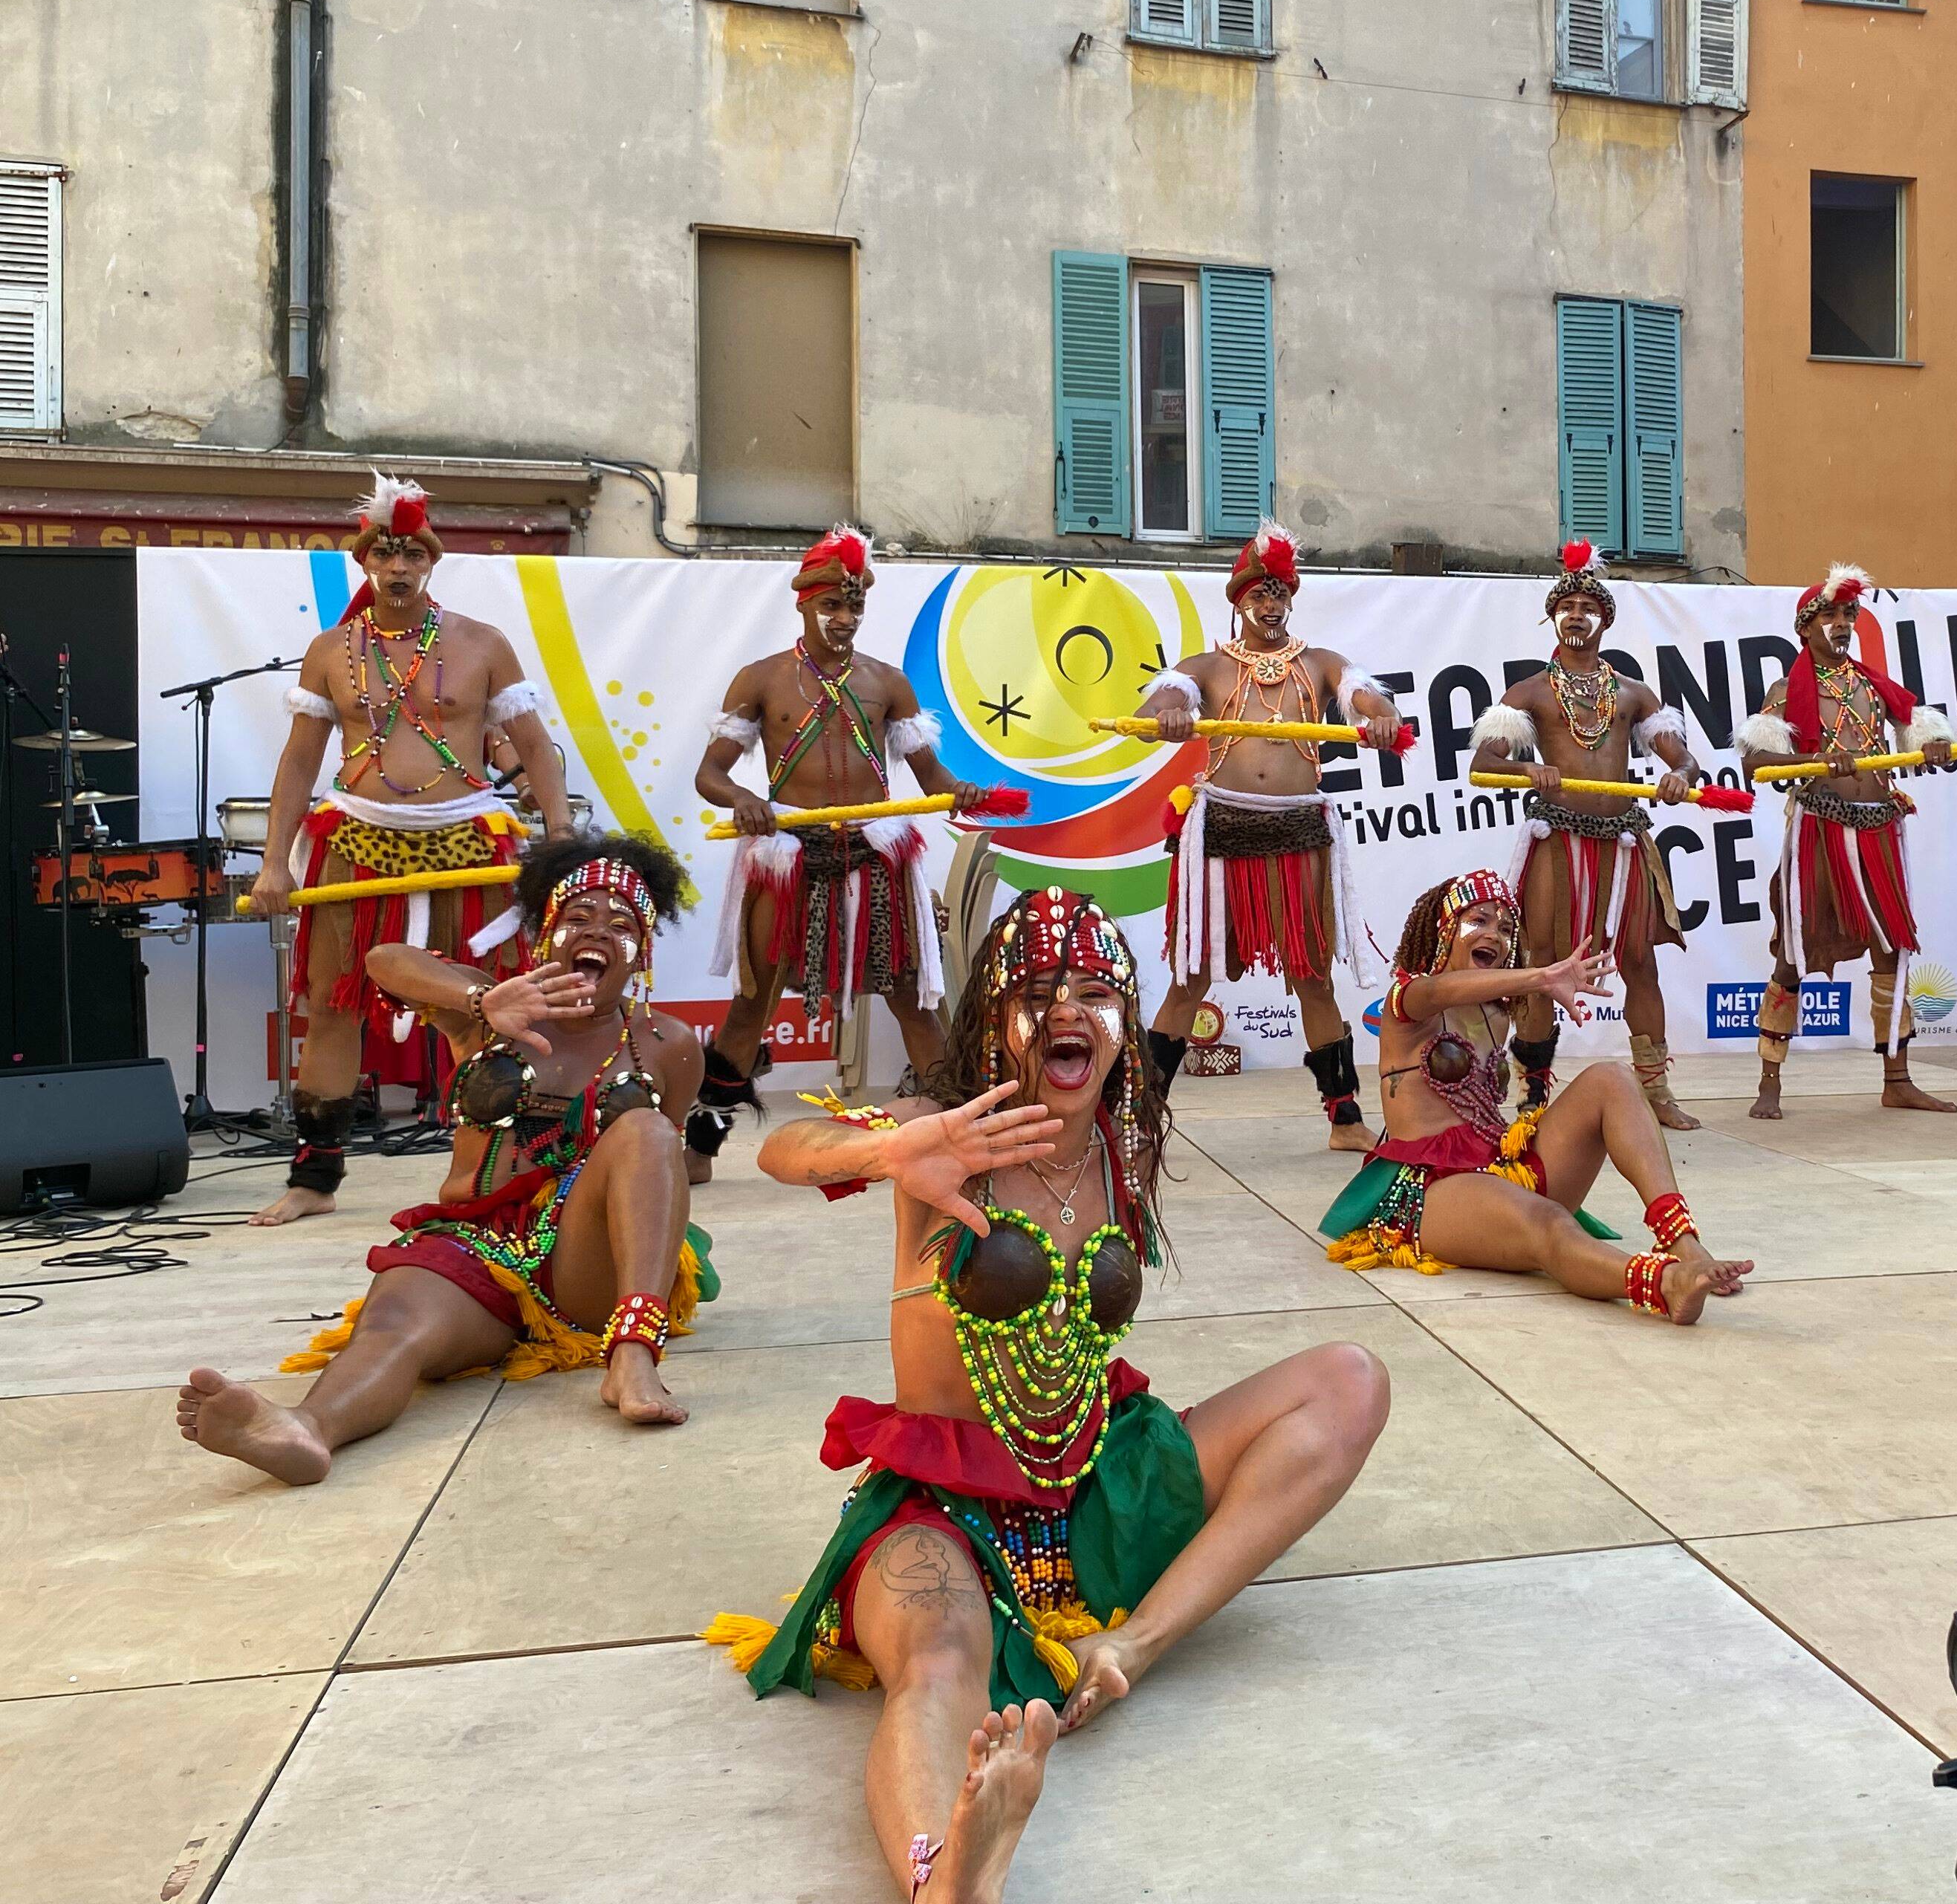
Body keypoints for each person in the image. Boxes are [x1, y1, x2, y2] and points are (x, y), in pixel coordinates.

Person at [709, 886, 1389, 1903]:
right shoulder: (946, 1133)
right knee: (937, 1664)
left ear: (1124, 1022)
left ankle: (1136, 1641)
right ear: (994, 1020)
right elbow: (784, 1151)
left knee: (1349, 1379)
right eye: (1036, 991)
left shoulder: (1122, 1143)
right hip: (950, 1515)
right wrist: (888, 1151)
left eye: (1094, 991)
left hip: (1097, 1485)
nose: (1068, 1009)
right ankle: (949, 1874)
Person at [177, 834, 709, 1484]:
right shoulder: (485, 1009)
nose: (596, 930)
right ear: (547, 932)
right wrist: (481, 1002)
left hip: (585, 1261)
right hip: (473, 1250)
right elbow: (383, 958)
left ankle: (632, 1358)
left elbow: (668, 1166)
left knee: (648, 1132)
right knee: (395, 1324)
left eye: (620, 923)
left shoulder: (668, 1043)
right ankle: (304, 1430)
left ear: (642, 951)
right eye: (577, 917)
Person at [244, 475, 573, 1226]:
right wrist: (273, 861)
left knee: (498, 1005)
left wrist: (557, 837)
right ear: (365, 561)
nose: (397, 567)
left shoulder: (482, 644)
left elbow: (533, 747)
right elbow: (299, 762)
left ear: (432, 560)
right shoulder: (332, 650)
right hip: (356, 840)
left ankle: (509, 1168)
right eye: (383, 553)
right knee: (332, 1008)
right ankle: (315, 1179)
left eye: (411, 554)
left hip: (469, 843)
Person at [692, 527, 1013, 1183]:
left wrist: (963, 792)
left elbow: (934, 782)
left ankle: (966, 1135)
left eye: (855, 606)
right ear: (804, 604)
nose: (844, 619)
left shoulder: (887, 684)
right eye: (832, 606)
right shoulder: (761, 680)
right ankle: (700, 1145)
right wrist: (745, 797)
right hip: (788, 859)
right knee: (752, 1003)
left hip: (873, 857)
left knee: (912, 1003)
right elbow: (710, 775)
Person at [1319, 870, 1751, 1319]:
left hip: (1505, 1169)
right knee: (1550, 1224)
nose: (1495, 935)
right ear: (1446, 930)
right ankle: (1667, 1283)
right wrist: (1540, 978)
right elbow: (1442, 988)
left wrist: (1536, 985)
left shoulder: (1496, 1018)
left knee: (1612, 1078)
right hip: (1434, 1187)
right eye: (1479, 921)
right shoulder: (1409, 999)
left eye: (1506, 929)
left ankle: (1684, 1244)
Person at [1136, 523, 1406, 1153]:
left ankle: (1344, 1120)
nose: (1271, 604)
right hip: (1221, 830)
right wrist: (1167, 719)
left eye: (1281, 592)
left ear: (1293, 598)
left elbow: (1364, 694)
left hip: (1298, 833)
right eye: (1259, 594)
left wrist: (1383, 716)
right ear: (1239, 601)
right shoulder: (1205, 668)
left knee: (1312, 977)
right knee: (1190, 978)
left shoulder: (1321, 664)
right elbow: (1154, 712)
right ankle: (1140, 1123)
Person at [1467, 541, 1707, 1128]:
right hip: (1558, 840)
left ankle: (1656, 1091)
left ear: (1606, 619)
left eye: (1588, 606)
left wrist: (1678, 778)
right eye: (1566, 605)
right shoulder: (1529, 693)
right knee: (1542, 960)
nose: (1577, 614)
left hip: (1623, 842)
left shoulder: (1633, 693)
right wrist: (1527, 768)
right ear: (1554, 617)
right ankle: (1533, 1093)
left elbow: (1686, 761)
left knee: (1639, 962)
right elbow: (1481, 766)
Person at [1736, 567, 1957, 1120]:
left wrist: (1933, 748)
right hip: (1820, 829)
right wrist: (1812, 761)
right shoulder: (1787, 691)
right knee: (1794, 954)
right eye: (1829, 617)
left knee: (1892, 949)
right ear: (1804, 629)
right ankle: (1770, 1080)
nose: (1841, 625)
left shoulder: (1872, 686)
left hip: (1879, 824)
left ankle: (1897, 1078)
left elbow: (1921, 734)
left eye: (1848, 616)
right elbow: (1755, 761)